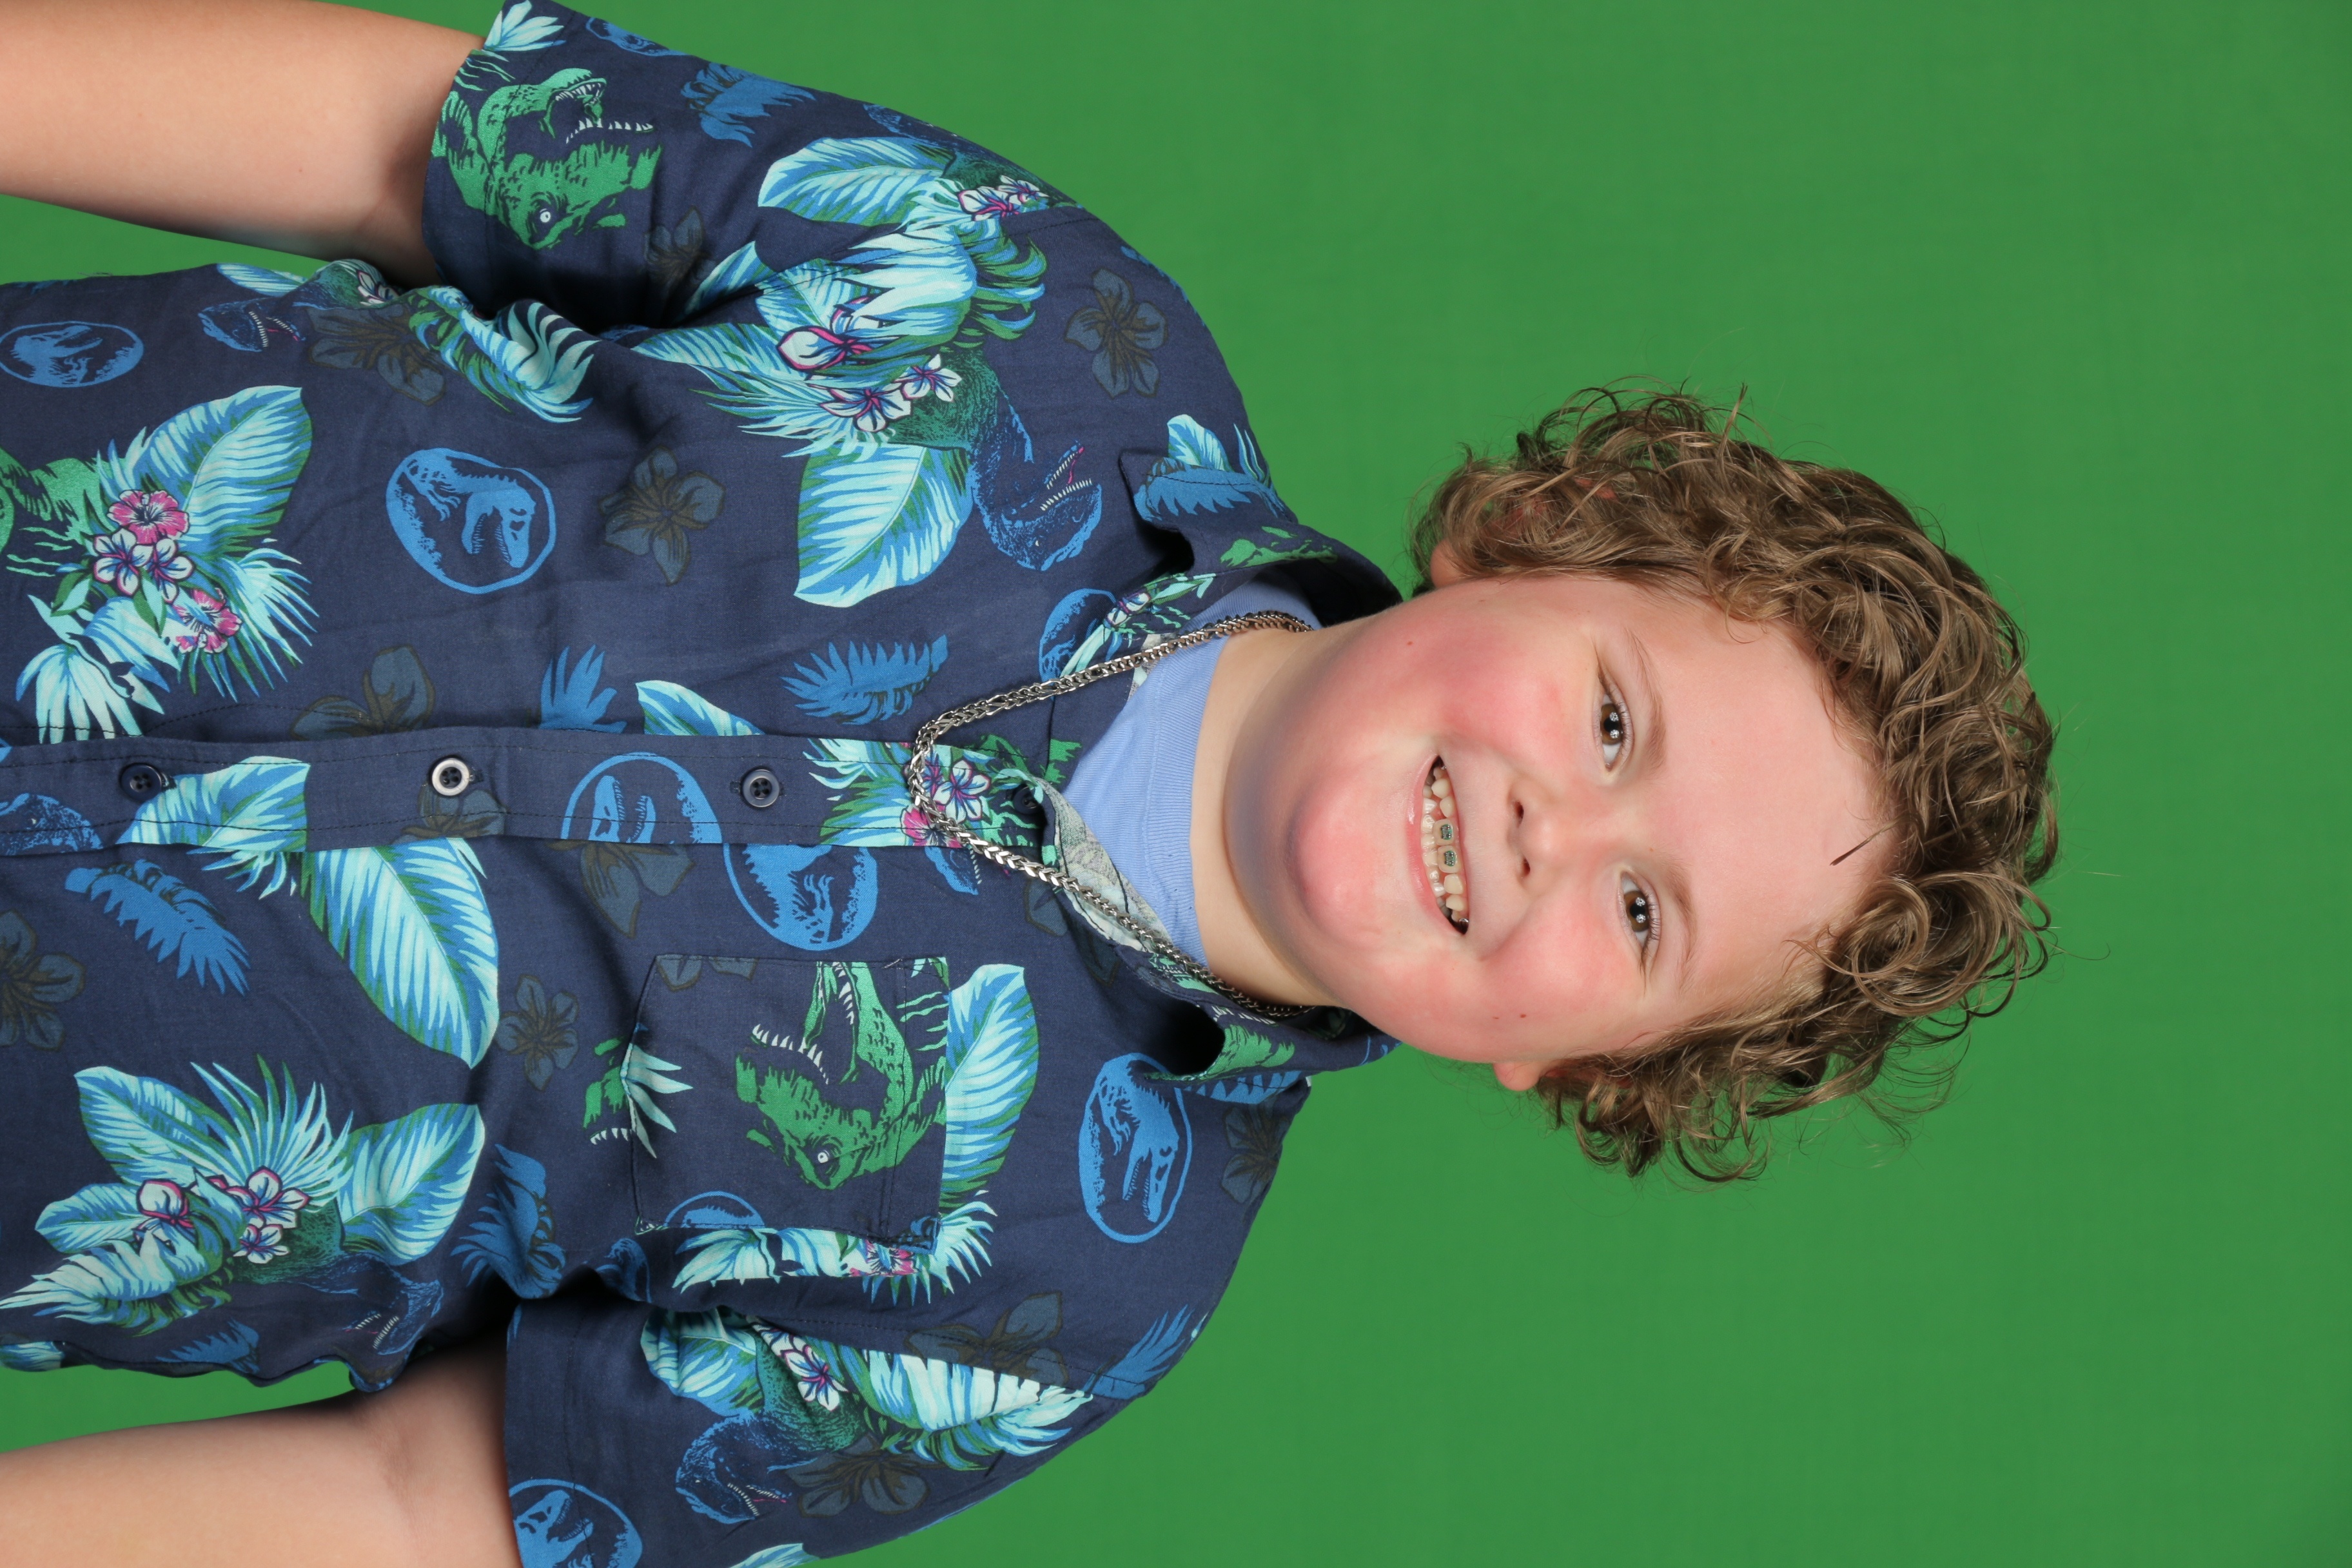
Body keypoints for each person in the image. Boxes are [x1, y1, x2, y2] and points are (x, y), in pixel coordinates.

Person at [0, 3, 2055, 1565]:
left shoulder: (1069, 1302)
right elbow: (406, 144)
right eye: (1613, 723)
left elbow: (415, 1499)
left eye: (1643, 913)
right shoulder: (1048, 323)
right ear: (1534, 547)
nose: (1557, 826)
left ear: (1570, 1067)